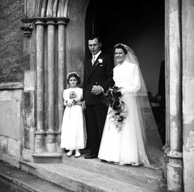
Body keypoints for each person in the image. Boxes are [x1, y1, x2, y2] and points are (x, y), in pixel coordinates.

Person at [98, 43, 163, 167]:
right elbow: (115, 84)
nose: (118, 55)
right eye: (116, 53)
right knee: (114, 125)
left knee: (127, 126)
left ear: (125, 54)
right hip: (115, 101)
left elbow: (136, 86)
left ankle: (128, 156)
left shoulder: (132, 67)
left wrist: (123, 91)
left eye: (120, 53)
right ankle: (112, 154)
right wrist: (112, 92)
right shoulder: (115, 69)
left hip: (128, 100)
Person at [83, 35, 114, 159]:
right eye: (90, 45)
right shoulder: (87, 61)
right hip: (90, 98)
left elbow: (111, 77)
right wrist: (85, 99)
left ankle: (104, 152)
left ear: (100, 44)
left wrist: (101, 88)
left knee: (102, 126)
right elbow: (86, 81)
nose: (92, 48)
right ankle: (94, 151)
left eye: (94, 45)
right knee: (92, 126)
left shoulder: (107, 58)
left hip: (102, 98)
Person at [61, 72, 87, 158]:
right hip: (69, 110)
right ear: (68, 81)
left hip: (77, 110)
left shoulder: (80, 91)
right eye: (71, 80)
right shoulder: (66, 91)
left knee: (77, 127)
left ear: (77, 81)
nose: (73, 82)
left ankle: (77, 149)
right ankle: (70, 148)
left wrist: (78, 103)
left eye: (74, 80)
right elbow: (65, 102)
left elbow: (83, 102)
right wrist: (66, 104)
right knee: (69, 128)